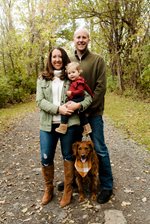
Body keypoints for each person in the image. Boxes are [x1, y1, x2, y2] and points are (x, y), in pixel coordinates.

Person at [58, 27, 113, 204]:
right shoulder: (70, 61)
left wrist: (84, 107)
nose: (81, 40)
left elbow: (100, 88)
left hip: (93, 113)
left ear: (88, 39)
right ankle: (72, 180)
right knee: (72, 149)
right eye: (78, 37)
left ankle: (106, 185)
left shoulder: (98, 60)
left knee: (99, 148)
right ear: (74, 40)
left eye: (84, 37)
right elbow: (63, 84)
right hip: (73, 115)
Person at [36, 47, 92, 207]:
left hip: (70, 125)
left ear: (64, 58)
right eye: (54, 56)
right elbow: (39, 101)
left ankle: (68, 190)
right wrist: (58, 109)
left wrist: (77, 106)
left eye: (60, 56)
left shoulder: (71, 76)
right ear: (50, 59)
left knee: (68, 156)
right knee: (46, 158)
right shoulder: (42, 78)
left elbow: (87, 98)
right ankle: (49, 188)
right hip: (47, 125)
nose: (57, 59)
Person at [55, 61, 93, 135]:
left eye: (73, 72)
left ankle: (63, 126)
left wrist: (71, 93)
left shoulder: (79, 82)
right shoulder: (75, 81)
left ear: (79, 72)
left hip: (79, 98)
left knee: (66, 108)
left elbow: (81, 91)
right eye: (69, 73)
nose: (71, 74)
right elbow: (87, 88)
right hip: (77, 98)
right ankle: (87, 128)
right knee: (81, 114)